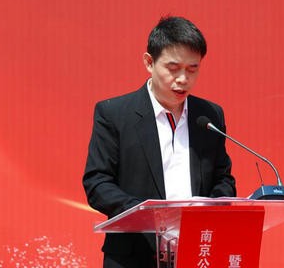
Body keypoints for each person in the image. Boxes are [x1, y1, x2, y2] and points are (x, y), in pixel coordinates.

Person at [83, 16, 236, 268]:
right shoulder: (115, 114)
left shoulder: (209, 116)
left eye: (192, 69)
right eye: (173, 68)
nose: (183, 79)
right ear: (149, 62)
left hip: (196, 252)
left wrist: (207, 208)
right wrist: (146, 214)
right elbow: (97, 182)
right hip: (134, 256)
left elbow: (223, 179)